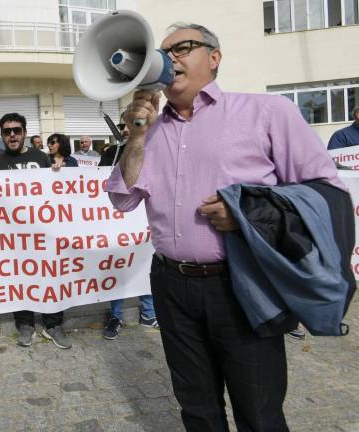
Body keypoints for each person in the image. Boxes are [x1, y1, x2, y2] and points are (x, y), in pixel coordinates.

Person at [105, 23, 342, 431]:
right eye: (162, 52)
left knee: (259, 410)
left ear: (214, 58)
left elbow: (325, 191)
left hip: (241, 282)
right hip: (170, 283)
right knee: (196, 407)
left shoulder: (266, 112)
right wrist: (137, 137)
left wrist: (249, 214)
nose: (168, 58)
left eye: (182, 48)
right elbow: (122, 198)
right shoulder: (150, 131)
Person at [0, 113, 72, 349]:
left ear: (24, 133)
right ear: (1, 136)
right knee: (19, 278)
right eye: (7, 131)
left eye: (17, 130)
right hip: (14, 238)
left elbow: (59, 191)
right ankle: (25, 324)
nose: (12, 135)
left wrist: (61, 168)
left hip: (44, 233)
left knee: (51, 275)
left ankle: (53, 324)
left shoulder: (41, 158)